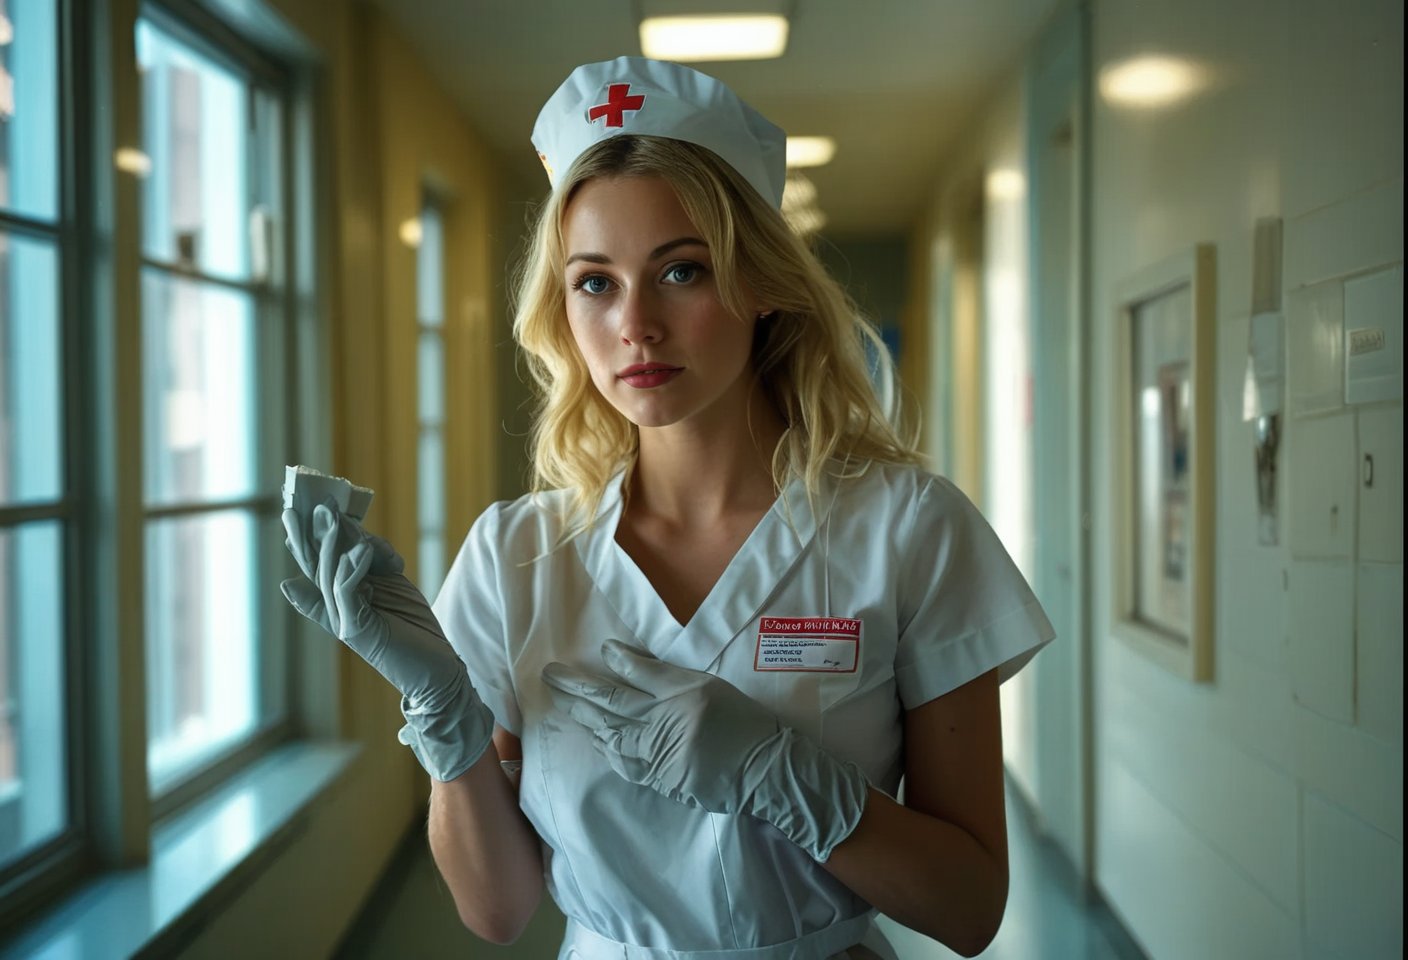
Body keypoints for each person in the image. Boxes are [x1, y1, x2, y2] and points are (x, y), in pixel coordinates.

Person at [280, 56, 1055, 960]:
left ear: (761, 283)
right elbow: (496, 911)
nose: (635, 325)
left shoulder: (910, 530)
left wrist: (789, 779)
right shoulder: (515, 555)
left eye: (682, 272)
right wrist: (443, 715)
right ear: (562, 309)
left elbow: (970, 911)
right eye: (595, 282)